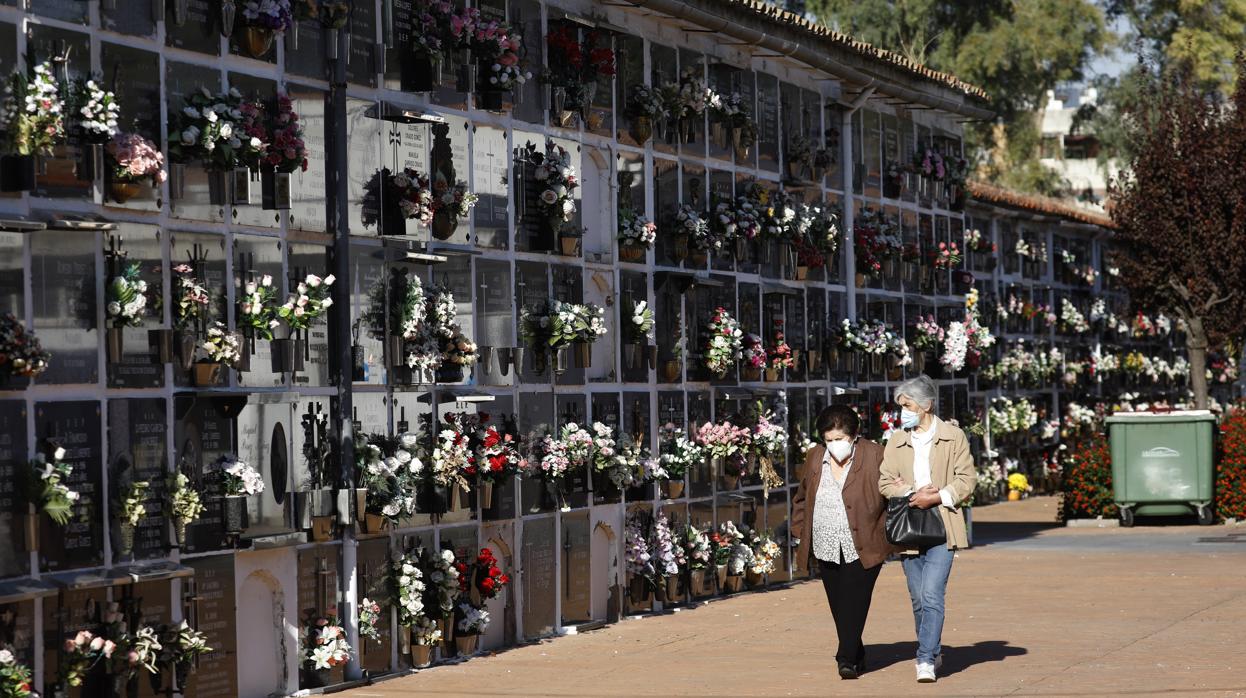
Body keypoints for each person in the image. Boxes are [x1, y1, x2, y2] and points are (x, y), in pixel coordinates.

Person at [878, 375, 976, 684]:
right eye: (900, 406)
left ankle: (924, 659)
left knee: (933, 593)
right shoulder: (896, 439)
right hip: (909, 526)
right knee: (918, 597)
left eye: (907, 405)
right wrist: (911, 493)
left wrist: (935, 496)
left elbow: (966, 479)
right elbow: (885, 481)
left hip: (943, 523)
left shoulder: (953, 437)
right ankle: (932, 650)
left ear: (926, 405)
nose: (902, 412)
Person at [791, 404, 893, 679]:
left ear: (854, 436)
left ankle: (845, 658)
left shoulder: (875, 455)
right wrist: (799, 529)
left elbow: (893, 493)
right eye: (829, 440)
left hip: (864, 541)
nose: (834, 445)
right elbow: (802, 495)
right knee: (838, 603)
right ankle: (856, 652)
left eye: (840, 439)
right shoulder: (815, 457)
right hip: (825, 540)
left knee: (855, 600)